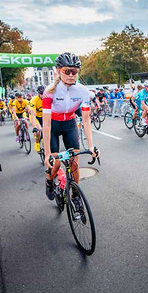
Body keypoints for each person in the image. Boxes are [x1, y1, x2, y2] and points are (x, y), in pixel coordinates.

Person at [43, 52, 99, 202]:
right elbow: (46, 124)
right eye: (66, 71)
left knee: (74, 162)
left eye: (74, 71)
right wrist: (47, 153)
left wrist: (92, 146)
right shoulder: (49, 91)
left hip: (69, 124)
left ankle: (75, 195)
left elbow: (86, 121)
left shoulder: (82, 91)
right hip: (53, 125)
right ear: (58, 71)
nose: (71, 75)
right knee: (56, 163)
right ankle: (49, 180)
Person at [30, 86, 44, 152]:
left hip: (44, 116)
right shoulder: (34, 100)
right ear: (38, 93)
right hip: (36, 117)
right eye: (41, 93)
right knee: (39, 131)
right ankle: (37, 143)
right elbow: (32, 114)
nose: (43, 95)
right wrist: (34, 127)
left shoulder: (48, 98)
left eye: (44, 93)